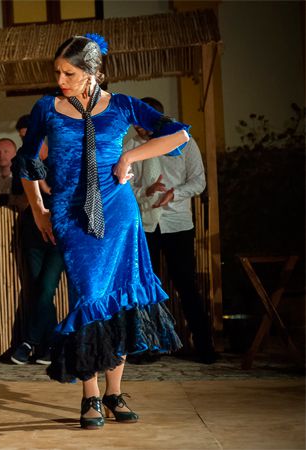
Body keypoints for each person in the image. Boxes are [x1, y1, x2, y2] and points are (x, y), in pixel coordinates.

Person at [16, 34, 189, 429]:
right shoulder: (48, 108)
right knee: (89, 297)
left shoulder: (124, 105)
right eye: (58, 71)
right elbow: (27, 162)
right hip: (70, 213)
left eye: (70, 73)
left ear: (94, 73)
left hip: (118, 210)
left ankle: (113, 392)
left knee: (119, 299)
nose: (60, 78)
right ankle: (89, 396)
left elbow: (178, 134)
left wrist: (130, 154)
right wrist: (39, 210)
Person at [125, 98, 217, 365]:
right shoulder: (130, 147)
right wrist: (146, 192)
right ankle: (146, 347)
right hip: (145, 223)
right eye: (136, 123)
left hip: (177, 223)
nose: (139, 129)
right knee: (145, 286)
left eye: (144, 123)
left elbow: (198, 181)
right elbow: (124, 187)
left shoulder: (184, 141)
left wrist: (174, 193)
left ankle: (204, 346)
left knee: (186, 284)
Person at [9, 118, 65, 366]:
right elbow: (17, 195)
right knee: (38, 289)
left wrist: (40, 182)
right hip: (32, 232)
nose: (26, 141)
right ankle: (50, 345)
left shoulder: (61, 157)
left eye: (28, 135)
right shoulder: (22, 159)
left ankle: (28, 341)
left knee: (46, 287)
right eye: (22, 136)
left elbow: (57, 192)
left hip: (58, 233)